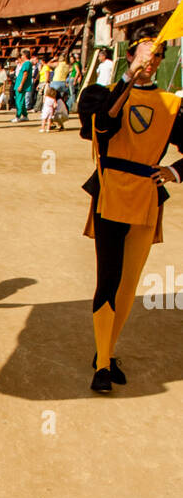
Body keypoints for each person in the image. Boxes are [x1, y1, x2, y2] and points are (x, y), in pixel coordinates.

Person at [78, 32, 183, 393]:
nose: (149, 62)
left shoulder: (171, 105)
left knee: (128, 284)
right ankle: (103, 365)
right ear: (129, 56)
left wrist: (175, 171)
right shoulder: (99, 94)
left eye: (155, 57)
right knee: (108, 278)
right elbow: (103, 123)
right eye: (143, 55)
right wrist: (128, 78)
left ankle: (105, 352)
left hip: (146, 199)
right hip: (110, 195)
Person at [13, 52, 31, 122]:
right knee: (21, 100)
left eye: (22, 55)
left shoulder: (27, 63)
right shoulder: (26, 63)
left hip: (20, 84)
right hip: (19, 83)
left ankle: (18, 116)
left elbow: (25, 74)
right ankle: (25, 115)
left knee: (19, 100)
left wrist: (21, 85)